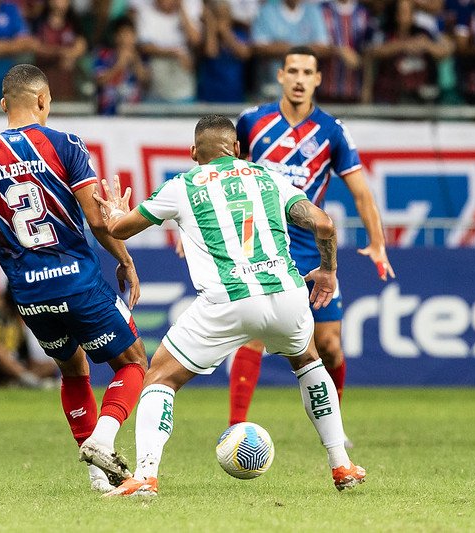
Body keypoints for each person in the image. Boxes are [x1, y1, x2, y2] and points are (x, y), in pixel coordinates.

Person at [94, 115, 366, 497]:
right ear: (237, 149)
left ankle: (146, 475)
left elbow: (120, 230)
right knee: (308, 360)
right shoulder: (268, 177)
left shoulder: (183, 185)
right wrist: (328, 270)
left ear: (193, 154)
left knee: (160, 377)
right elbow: (323, 224)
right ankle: (341, 464)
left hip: (229, 300)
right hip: (287, 294)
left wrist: (114, 214)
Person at [0, 64, 148, 493]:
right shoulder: (65, 144)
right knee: (133, 363)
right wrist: (125, 258)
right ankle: (103, 441)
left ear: (3, 104)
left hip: (29, 294)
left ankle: (98, 481)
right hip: (76, 281)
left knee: (72, 369)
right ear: (42, 101)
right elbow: (95, 219)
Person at [230, 46, 394, 443]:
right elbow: (218, 171)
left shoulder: (331, 131)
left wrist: (378, 242)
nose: (300, 78)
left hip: (310, 248)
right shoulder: (253, 122)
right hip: (261, 243)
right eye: (293, 71)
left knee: (330, 345)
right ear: (281, 76)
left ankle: (334, 427)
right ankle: (235, 428)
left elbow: (361, 193)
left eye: (308, 72)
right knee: (254, 331)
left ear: (318, 79)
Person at [94, 16, 149, 115]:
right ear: (115, 36)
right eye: (121, 34)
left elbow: (146, 82)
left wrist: (136, 62)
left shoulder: (142, 57)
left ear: (135, 36)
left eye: (128, 34)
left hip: (134, 114)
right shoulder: (103, 54)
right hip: (107, 112)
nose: (124, 38)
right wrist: (119, 64)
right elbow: (100, 81)